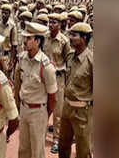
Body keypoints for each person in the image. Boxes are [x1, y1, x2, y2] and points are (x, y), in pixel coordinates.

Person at [14, 22, 57, 158]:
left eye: (28, 38)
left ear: (38, 41)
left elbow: (52, 97)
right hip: (24, 108)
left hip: (38, 112)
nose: (24, 41)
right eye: (24, 38)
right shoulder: (22, 59)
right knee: (23, 150)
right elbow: (19, 85)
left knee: (37, 152)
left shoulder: (46, 66)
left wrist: (44, 115)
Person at [59, 22, 93, 158]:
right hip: (67, 107)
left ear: (84, 38)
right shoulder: (70, 57)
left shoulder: (92, 61)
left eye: (74, 35)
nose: (70, 38)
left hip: (83, 112)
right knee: (63, 145)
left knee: (83, 150)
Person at [44, 13, 73, 153]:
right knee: (44, 107)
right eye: (50, 21)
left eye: (54, 22)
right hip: (44, 77)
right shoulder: (44, 38)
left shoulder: (64, 41)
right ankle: (41, 133)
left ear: (60, 24)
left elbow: (69, 62)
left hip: (58, 77)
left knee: (58, 110)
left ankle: (56, 139)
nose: (51, 24)